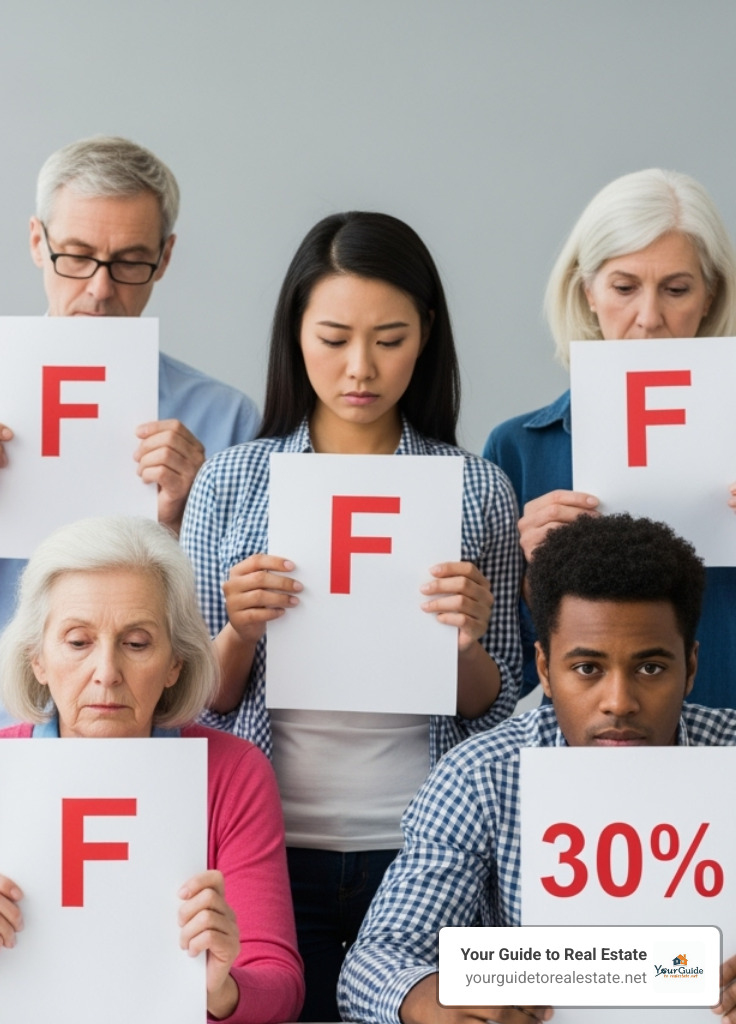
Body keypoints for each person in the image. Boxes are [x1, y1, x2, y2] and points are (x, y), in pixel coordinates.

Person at [179, 211, 523, 1020]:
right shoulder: (231, 481)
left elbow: (497, 710)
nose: (360, 367)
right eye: (333, 337)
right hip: (268, 845)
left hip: (421, 847)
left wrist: (466, 642)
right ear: (295, 331)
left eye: (391, 339)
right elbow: (195, 702)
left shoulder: (476, 488)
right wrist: (239, 629)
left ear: (427, 336)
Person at [338, 513, 736, 1024]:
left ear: (692, 669)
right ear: (545, 670)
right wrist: (427, 1001)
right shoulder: (481, 775)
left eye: (651, 668)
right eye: (587, 668)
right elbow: (376, 959)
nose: (619, 702)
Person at [0, 136, 260, 735]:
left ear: (166, 256)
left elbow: (246, 643)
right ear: (36, 242)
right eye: (75, 256)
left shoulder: (226, 420)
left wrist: (185, 523)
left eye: (130, 262)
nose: (101, 290)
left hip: (168, 751)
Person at [0, 516, 303, 1023]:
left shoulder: (233, 772)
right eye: (78, 642)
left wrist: (220, 988)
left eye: (137, 643)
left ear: (175, 663)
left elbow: (280, 988)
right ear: (37, 658)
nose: (106, 673)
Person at [483, 168, 736, 705]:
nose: (649, 318)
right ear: (588, 292)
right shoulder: (518, 449)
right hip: (598, 757)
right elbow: (508, 680)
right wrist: (533, 580)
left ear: (710, 295)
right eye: (624, 287)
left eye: (677, 289)